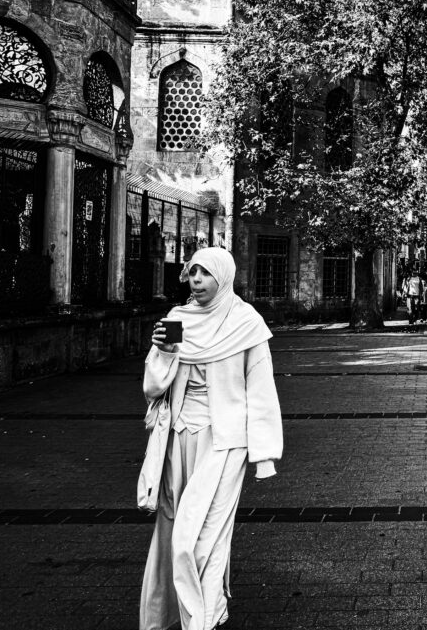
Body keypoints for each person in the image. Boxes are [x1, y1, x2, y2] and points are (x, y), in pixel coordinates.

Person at [141, 247, 283, 630]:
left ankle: (203, 618)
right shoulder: (178, 318)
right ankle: (174, 614)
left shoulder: (244, 321)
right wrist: (166, 352)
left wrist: (264, 454)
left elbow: (261, 388)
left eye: (205, 273)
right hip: (179, 439)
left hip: (225, 443)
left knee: (200, 538)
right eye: (192, 273)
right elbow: (153, 387)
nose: (197, 280)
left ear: (223, 276)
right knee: (173, 532)